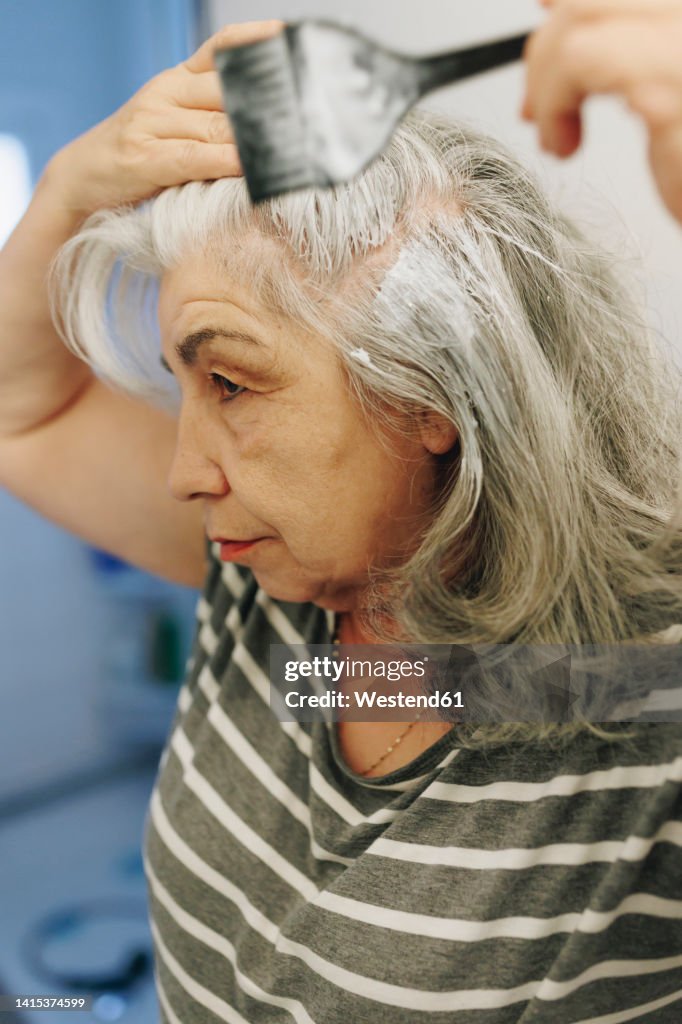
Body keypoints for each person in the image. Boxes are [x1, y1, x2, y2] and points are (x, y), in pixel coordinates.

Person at [0, 4, 681, 1022]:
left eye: (230, 382)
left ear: (432, 392)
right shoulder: (269, 595)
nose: (187, 470)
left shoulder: (640, 697)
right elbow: (23, 409)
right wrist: (69, 189)